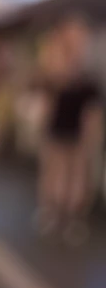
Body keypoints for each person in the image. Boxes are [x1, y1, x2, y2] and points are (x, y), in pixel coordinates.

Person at [34, 16, 105, 245]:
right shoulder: (60, 61)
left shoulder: (85, 63)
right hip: (63, 121)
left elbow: (91, 107)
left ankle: (67, 215)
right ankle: (56, 212)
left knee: (73, 171)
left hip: (75, 121)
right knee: (60, 170)